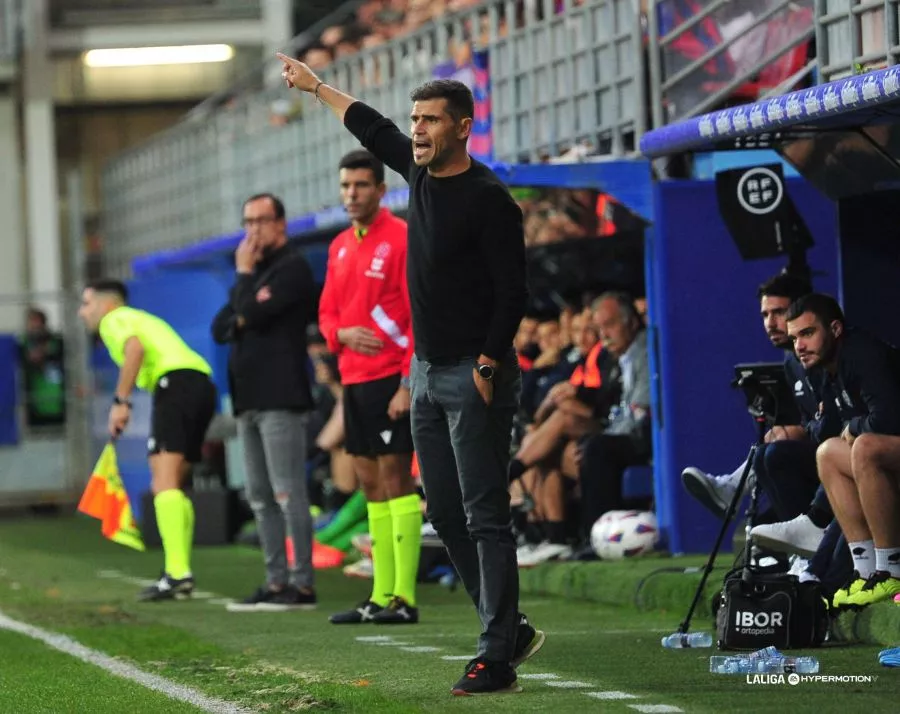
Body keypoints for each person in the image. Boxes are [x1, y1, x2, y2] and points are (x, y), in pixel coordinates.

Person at [276, 53, 543, 695]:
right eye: (417, 118)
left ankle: (496, 655)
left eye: (431, 121)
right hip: (424, 375)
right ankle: (509, 628)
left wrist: (487, 361)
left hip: (473, 376)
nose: (418, 129)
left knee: (484, 515)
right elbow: (370, 125)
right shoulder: (418, 175)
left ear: (462, 128)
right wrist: (315, 88)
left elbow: (513, 293)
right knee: (445, 514)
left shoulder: (489, 200)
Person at [319, 149, 422, 625]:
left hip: (389, 379)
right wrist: (338, 335)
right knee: (368, 483)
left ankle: (405, 597)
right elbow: (326, 315)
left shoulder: (401, 238)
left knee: (396, 481)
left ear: (381, 190)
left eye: (360, 185)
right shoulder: (339, 246)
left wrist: (406, 382)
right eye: (345, 186)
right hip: (354, 380)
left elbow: (418, 314)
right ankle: (380, 595)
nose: (352, 194)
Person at [211, 193, 319, 612]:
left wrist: (242, 283)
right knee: (259, 495)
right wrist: (244, 300)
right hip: (249, 398)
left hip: (280, 396)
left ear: (281, 224)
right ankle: (276, 581)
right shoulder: (256, 275)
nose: (253, 229)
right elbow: (223, 325)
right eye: (248, 221)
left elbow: (249, 318)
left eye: (261, 220)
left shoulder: (291, 269)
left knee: (288, 492)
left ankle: (302, 584)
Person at [78, 280, 216, 601]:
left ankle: (177, 573)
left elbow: (135, 349)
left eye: (86, 304)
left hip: (176, 384)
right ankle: (177, 570)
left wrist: (121, 402)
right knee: (171, 484)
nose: (81, 312)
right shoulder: (140, 317)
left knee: (164, 483)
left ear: (105, 304)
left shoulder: (115, 319)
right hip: (199, 384)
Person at [788, 293, 900, 607]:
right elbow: (827, 429)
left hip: (889, 448)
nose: (799, 345)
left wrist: (853, 428)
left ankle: (892, 571)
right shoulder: (825, 370)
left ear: (835, 329)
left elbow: (888, 419)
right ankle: (866, 572)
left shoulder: (861, 353)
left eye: (807, 333)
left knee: (864, 446)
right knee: (828, 453)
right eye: (795, 337)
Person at [19, 307, 66, 427]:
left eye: (37, 322)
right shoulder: (23, 345)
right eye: (31, 323)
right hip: (34, 403)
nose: (34, 327)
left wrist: (44, 353)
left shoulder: (57, 342)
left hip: (58, 402)